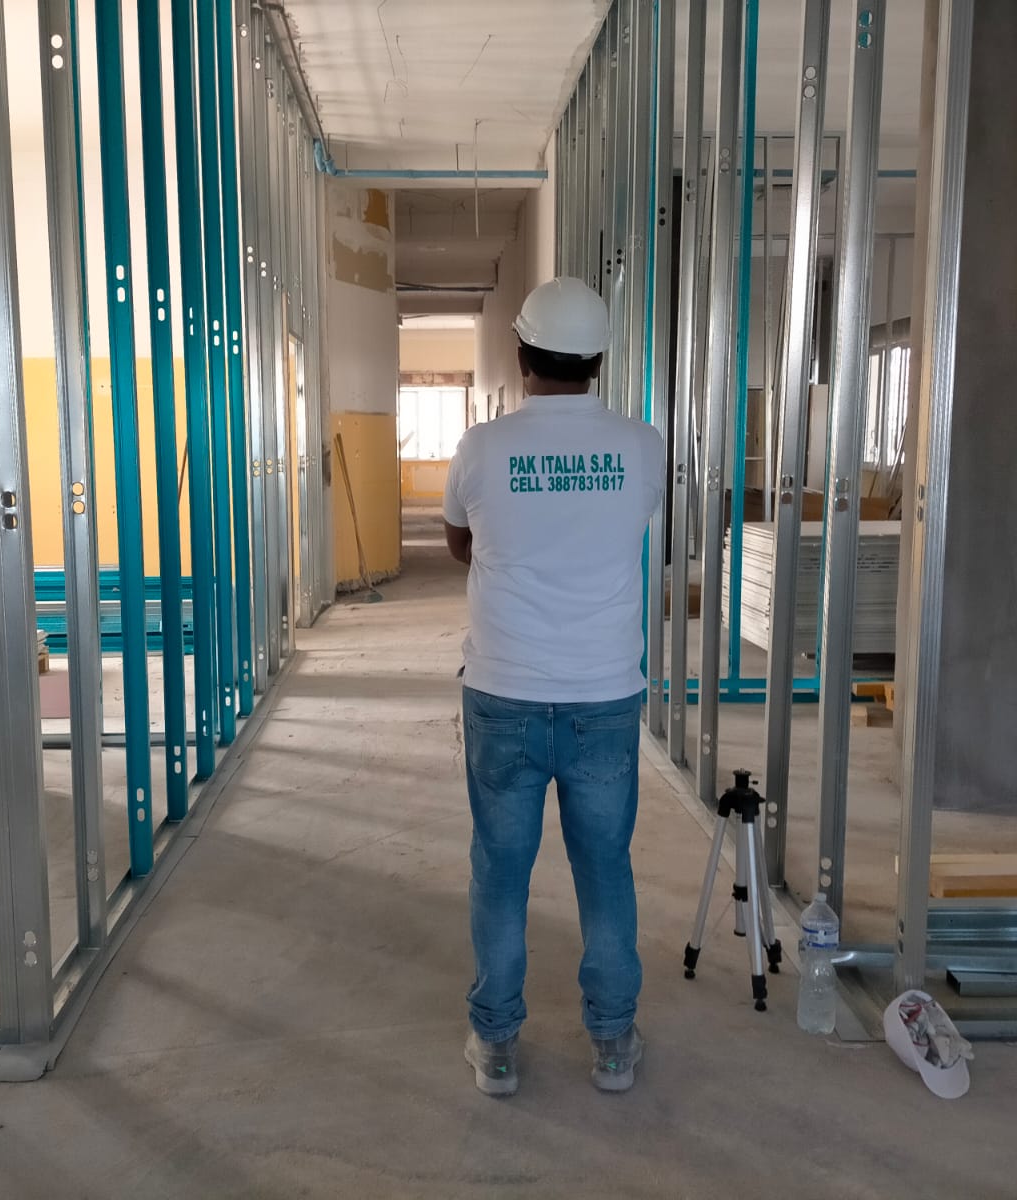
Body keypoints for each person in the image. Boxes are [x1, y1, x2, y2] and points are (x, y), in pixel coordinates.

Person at [442, 277, 665, 1097]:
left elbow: (460, 544)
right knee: (605, 868)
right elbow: (625, 528)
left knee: (500, 872)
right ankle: (611, 1043)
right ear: (599, 360)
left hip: (502, 690)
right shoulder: (642, 446)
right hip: (603, 696)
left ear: (521, 353)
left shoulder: (480, 447)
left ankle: (497, 1045)